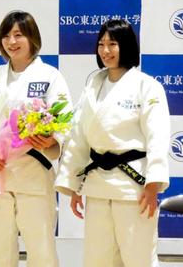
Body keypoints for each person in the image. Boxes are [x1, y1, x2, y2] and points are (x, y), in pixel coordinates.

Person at [55, 19, 170, 267]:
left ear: (126, 46)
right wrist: (74, 184)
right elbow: (79, 137)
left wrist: (153, 184)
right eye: (101, 44)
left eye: (113, 44)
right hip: (97, 186)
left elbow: (158, 136)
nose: (106, 50)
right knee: (98, 259)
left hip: (133, 187)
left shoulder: (147, 86)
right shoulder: (92, 86)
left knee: (139, 258)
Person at [0, 11, 72, 267]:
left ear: (32, 38)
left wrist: (52, 140)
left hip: (33, 171)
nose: (11, 41)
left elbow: (65, 118)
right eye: (6, 36)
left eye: (18, 35)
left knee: (41, 250)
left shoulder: (50, 76)